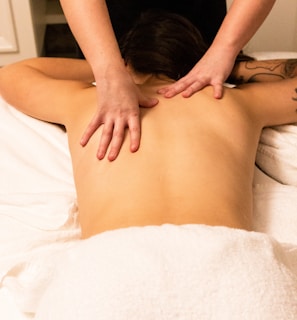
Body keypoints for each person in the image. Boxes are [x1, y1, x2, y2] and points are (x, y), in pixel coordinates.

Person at [1, 11, 297, 318]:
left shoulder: (87, 101)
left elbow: (12, 74)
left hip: (108, 271)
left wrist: (112, 69)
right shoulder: (236, 102)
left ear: (129, 62)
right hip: (235, 268)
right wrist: (232, 65)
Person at [59, 0, 276, 161]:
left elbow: (25, 72)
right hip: (107, 26)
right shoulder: (236, 104)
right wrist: (108, 71)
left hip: (198, 26)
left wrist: (224, 50)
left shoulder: (79, 103)